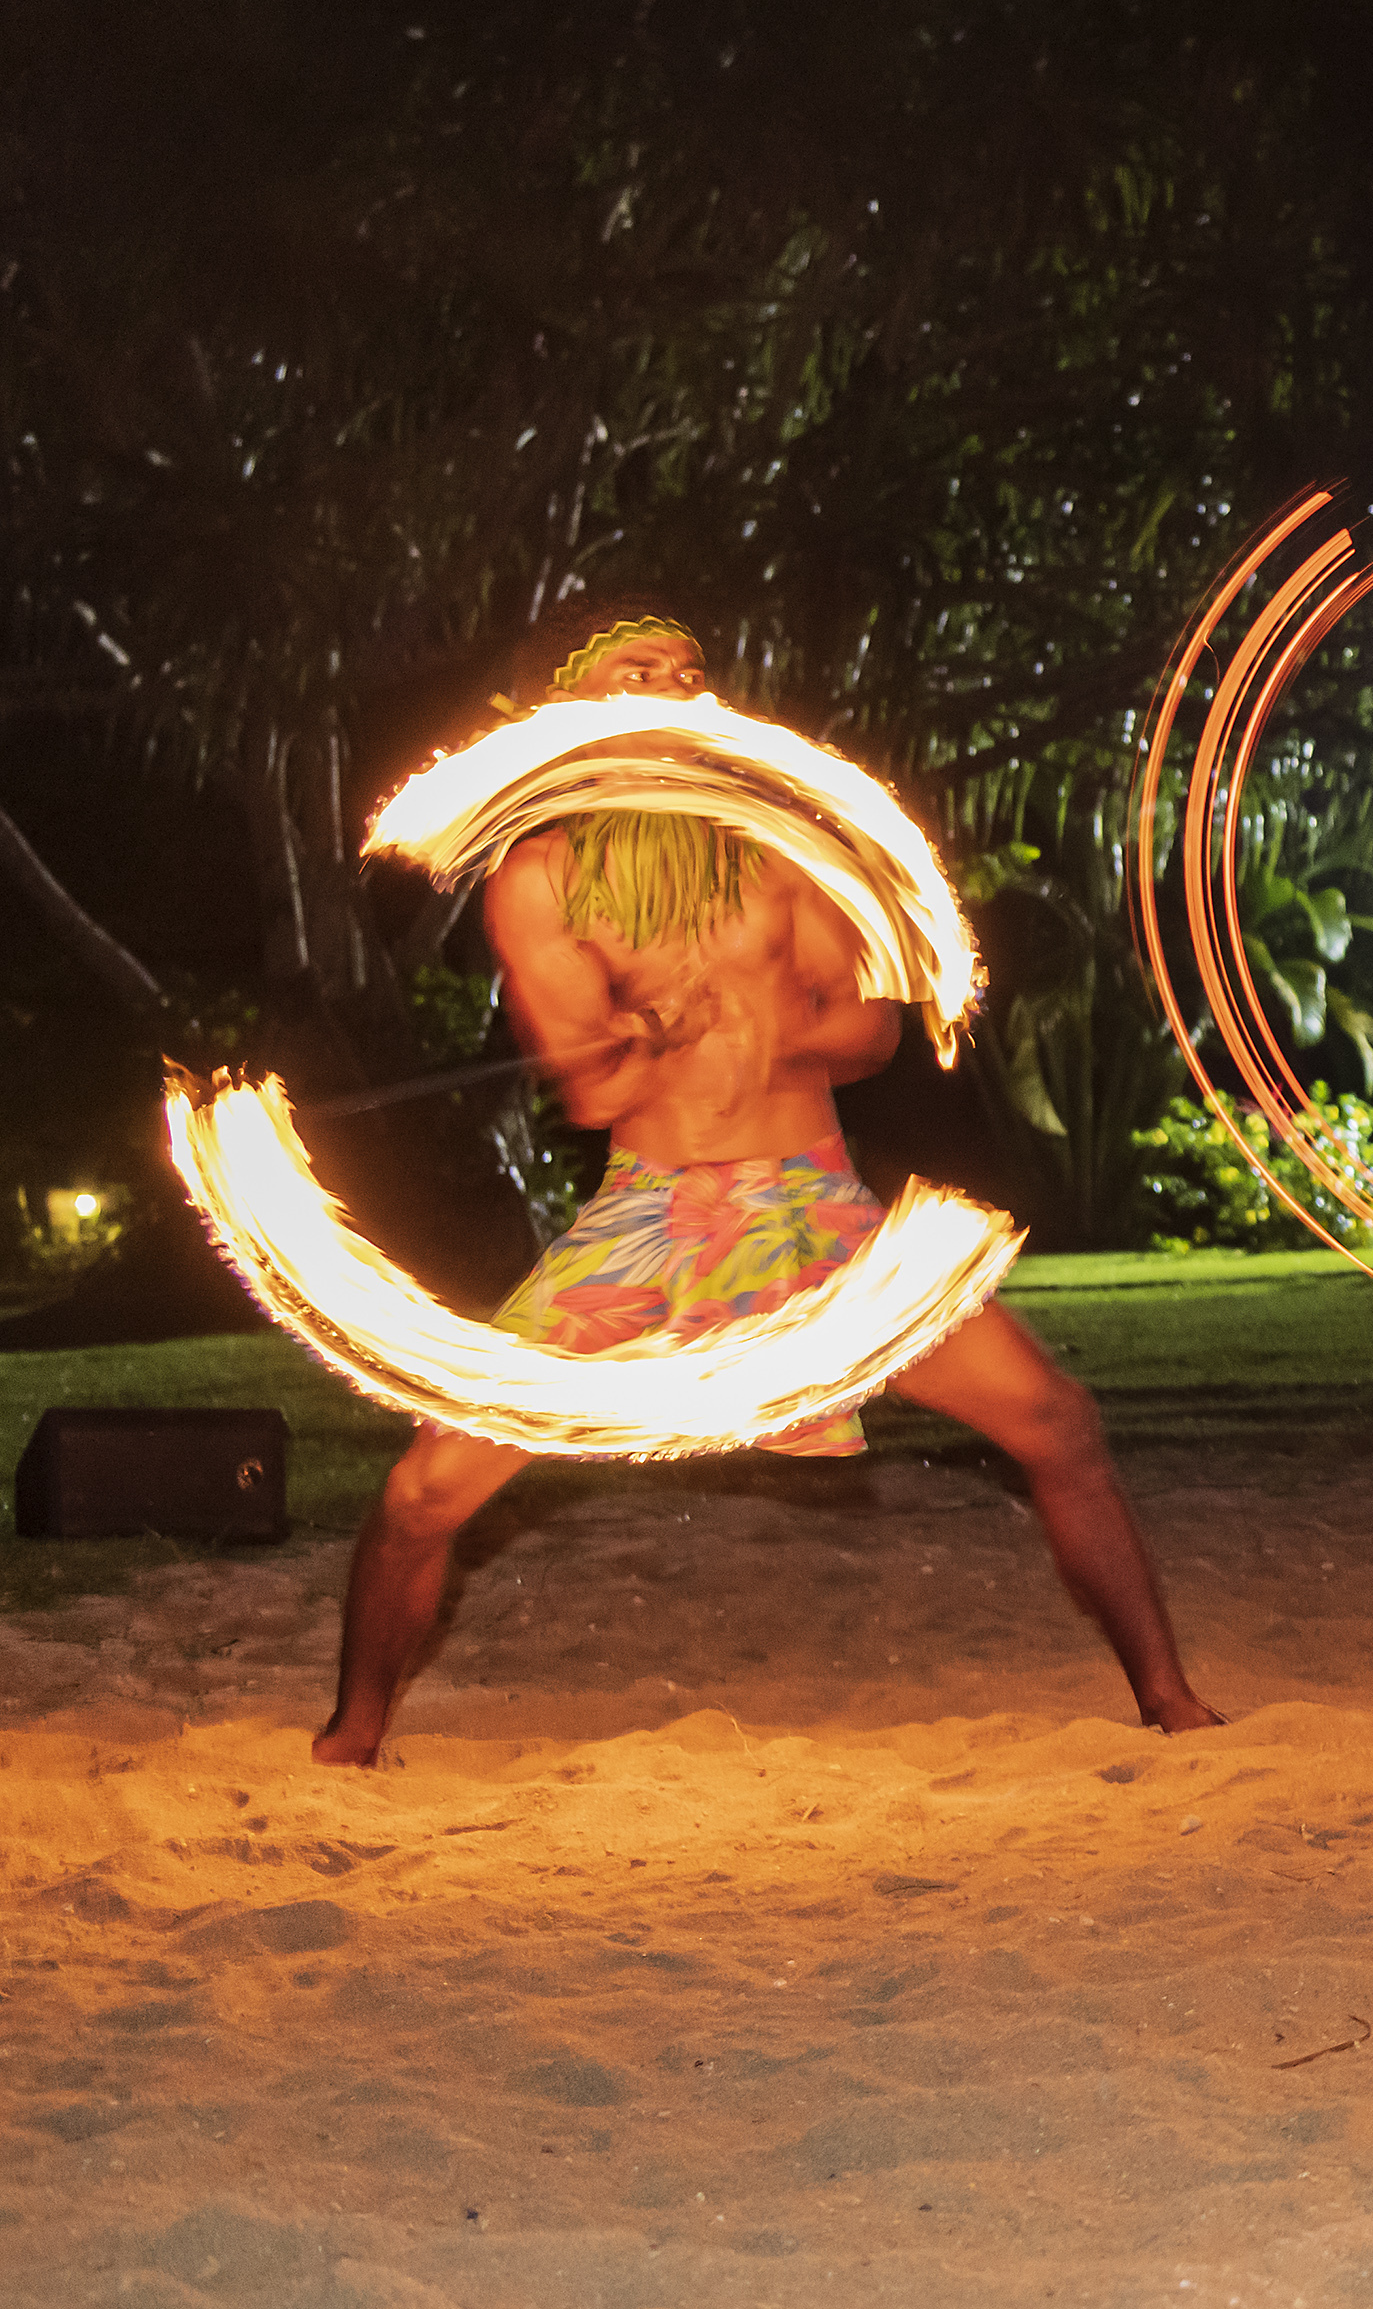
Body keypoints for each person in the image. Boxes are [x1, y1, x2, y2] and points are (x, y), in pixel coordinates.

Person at [315, 614, 1218, 1765]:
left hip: (814, 1212)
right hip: (647, 1224)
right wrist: (640, 1037)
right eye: (637, 672)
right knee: (422, 1493)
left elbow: (872, 1030)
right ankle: (354, 1731)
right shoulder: (540, 880)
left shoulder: (784, 857)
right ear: (575, 711)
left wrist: (786, 1030)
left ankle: (1169, 1700)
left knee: (1056, 1422)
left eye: (691, 671)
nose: (673, 686)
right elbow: (585, 1090)